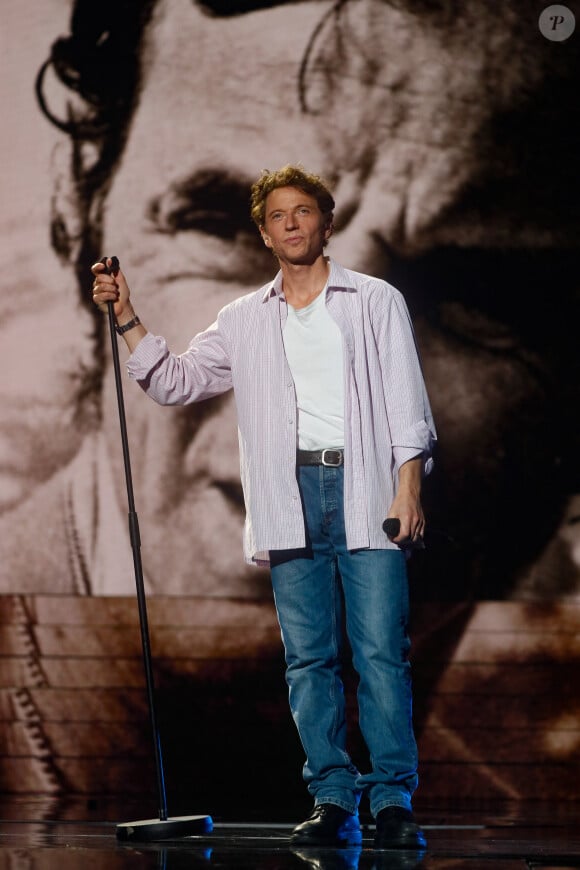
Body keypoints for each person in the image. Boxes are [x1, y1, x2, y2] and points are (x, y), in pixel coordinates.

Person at [91, 164, 436, 849]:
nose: (292, 224)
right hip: (290, 494)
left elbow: (407, 403)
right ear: (264, 233)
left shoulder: (373, 301)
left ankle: (392, 800)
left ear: (324, 222)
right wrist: (128, 317)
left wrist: (409, 485)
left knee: (379, 654)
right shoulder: (244, 318)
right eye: (278, 215)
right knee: (308, 658)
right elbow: (176, 381)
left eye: (303, 212)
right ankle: (334, 797)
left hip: (367, 488)